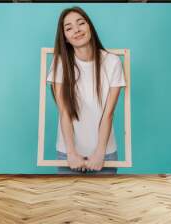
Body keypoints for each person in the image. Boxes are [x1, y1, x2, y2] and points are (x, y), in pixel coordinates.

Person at [47, 6, 126, 174]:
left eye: (81, 23)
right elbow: (64, 112)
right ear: (66, 38)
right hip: (68, 153)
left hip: (105, 152)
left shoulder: (112, 62)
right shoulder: (59, 63)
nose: (76, 30)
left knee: (105, 200)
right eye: (68, 28)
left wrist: (100, 152)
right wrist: (71, 152)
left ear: (89, 26)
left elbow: (108, 113)